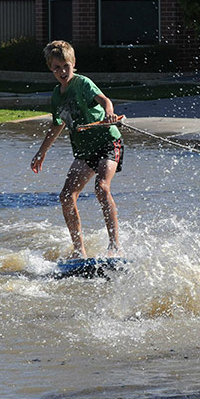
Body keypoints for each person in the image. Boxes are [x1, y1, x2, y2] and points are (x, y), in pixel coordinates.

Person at [31, 40, 123, 258]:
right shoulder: (56, 95)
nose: (62, 71)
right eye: (56, 67)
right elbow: (57, 125)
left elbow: (104, 100)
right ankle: (78, 250)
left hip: (107, 141)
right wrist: (41, 152)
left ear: (73, 64)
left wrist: (109, 112)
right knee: (66, 196)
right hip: (84, 150)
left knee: (101, 188)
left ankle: (115, 246)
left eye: (66, 66)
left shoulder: (83, 83)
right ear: (50, 68)